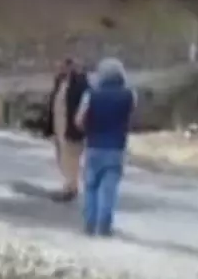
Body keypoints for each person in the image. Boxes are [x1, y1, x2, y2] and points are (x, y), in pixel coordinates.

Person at [74, 57, 135, 237]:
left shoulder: (90, 94)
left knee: (91, 187)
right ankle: (104, 226)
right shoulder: (129, 95)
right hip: (116, 148)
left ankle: (89, 224)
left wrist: (88, 130)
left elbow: (79, 120)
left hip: (93, 146)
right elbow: (131, 117)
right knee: (109, 189)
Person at [43, 58, 88, 202]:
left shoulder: (80, 83)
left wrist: (80, 125)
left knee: (71, 158)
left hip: (72, 126)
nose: (61, 69)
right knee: (62, 157)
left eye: (64, 66)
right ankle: (68, 184)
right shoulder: (60, 82)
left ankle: (71, 187)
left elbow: (82, 105)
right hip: (59, 124)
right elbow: (53, 104)